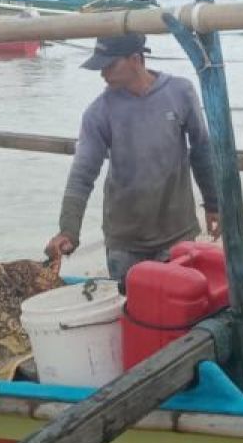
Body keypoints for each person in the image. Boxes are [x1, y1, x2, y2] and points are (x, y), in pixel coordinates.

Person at [44, 33, 220, 286]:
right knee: (131, 313)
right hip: (125, 242)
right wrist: (69, 229)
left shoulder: (180, 92)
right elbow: (82, 174)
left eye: (109, 65)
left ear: (136, 59)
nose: (103, 73)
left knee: (180, 308)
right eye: (100, 67)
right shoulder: (99, 112)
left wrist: (213, 204)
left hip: (178, 234)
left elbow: (201, 148)